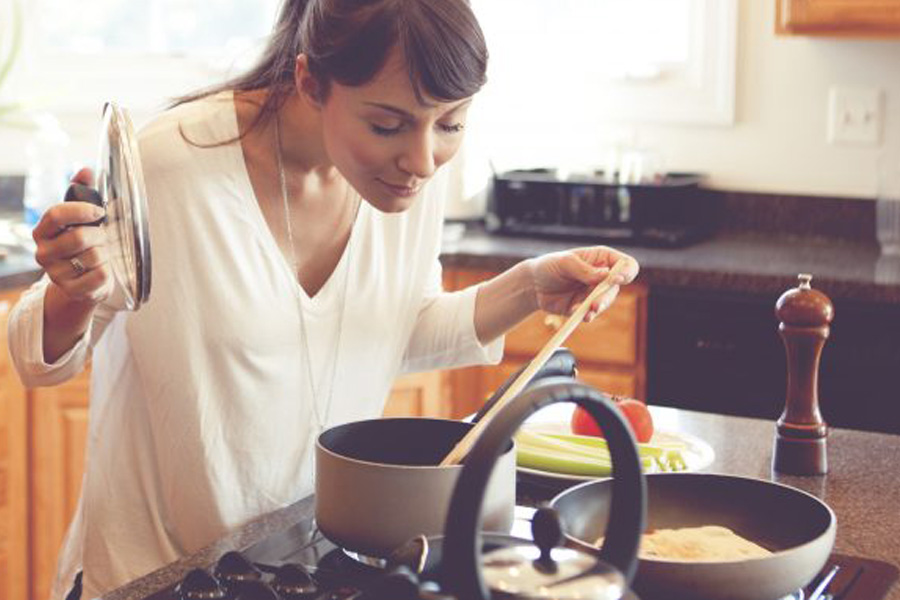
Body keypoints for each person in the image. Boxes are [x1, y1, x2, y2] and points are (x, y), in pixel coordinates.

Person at [7, 0, 639, 598]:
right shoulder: (172, 164)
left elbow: (394, 327)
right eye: (386, 124)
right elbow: (38, 360)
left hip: (302, 564)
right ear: (310, 83)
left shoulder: (403, 176)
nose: (421, 159)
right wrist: (75, 289)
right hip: (161, 572)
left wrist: (529, 285)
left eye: (450, 124)